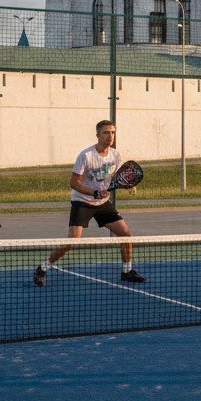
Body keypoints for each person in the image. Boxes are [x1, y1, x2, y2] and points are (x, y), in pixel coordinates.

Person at [34, 119, 144, 286]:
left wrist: (125, 184)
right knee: (72, 241)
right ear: (97, 135)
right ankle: (42, 268)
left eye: (113, 132)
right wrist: (93, 192)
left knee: (125, 234)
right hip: (82, 202)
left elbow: (111, 177)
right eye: (106, 132)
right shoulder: (85, 156)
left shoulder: (115, 155)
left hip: (103, 204)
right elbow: (74, 182)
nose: (110, 136)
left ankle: (127, 271)